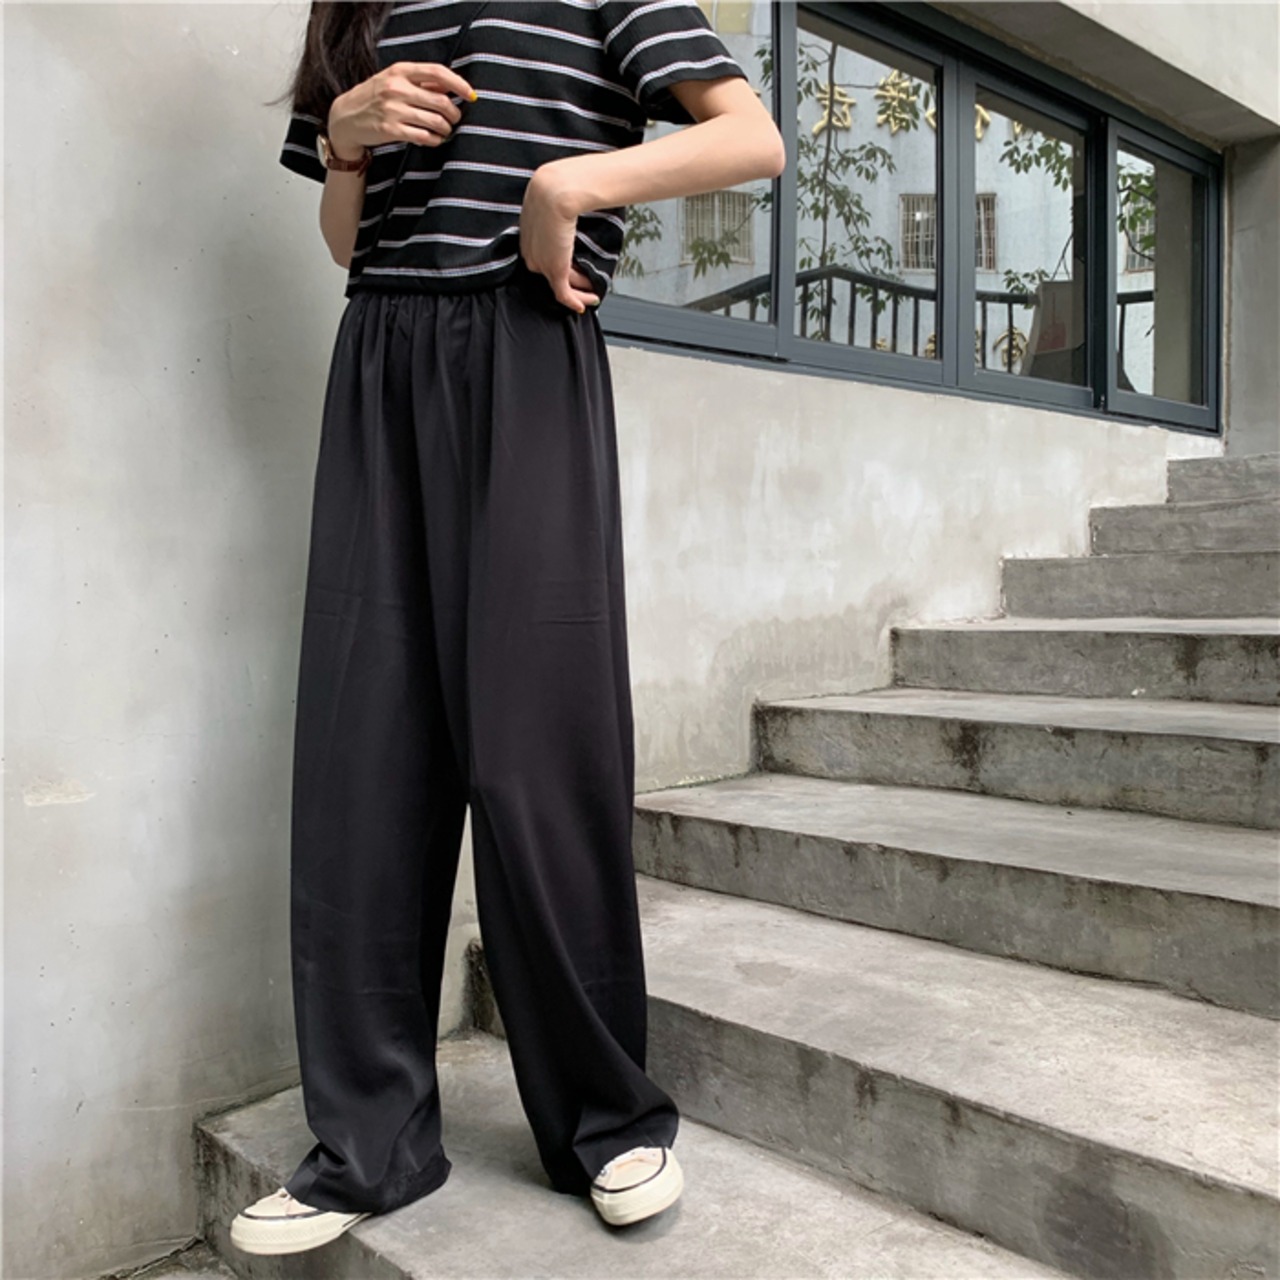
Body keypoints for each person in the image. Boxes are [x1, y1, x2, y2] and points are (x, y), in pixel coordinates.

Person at [230, 0, 785, 1257]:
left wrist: (568, 184)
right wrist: (346, 140)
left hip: (527, 346)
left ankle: (603, 1113)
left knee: (537, 745)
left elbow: (750, 137)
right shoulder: (353, 8)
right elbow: (346, 243)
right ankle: (367, 1139)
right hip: (379, 357)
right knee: (366, 752)